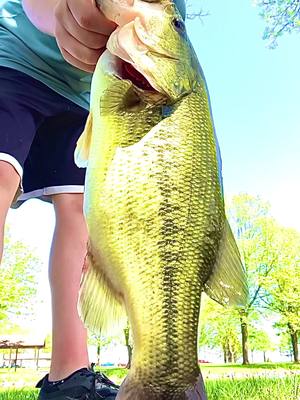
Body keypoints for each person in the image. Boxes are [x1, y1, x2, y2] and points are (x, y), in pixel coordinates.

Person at [0, 0, 186, 399]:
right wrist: (63, 12)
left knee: (80, 213)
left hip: (84, 96)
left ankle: (69, 376)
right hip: (11, 58)